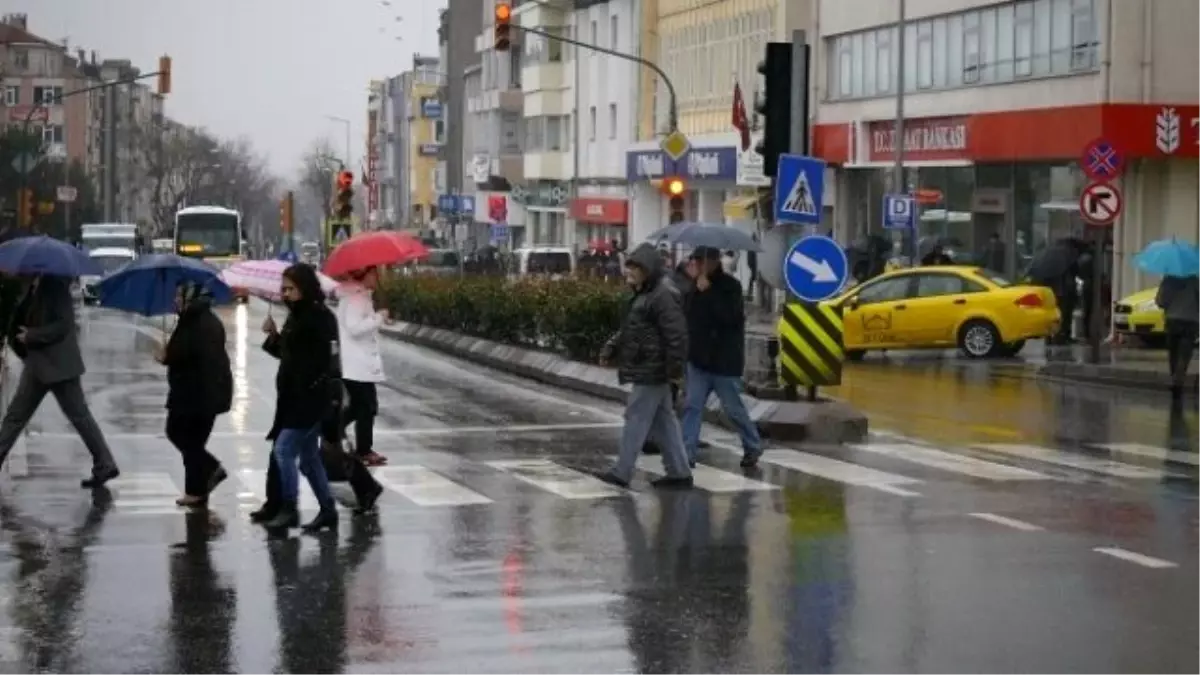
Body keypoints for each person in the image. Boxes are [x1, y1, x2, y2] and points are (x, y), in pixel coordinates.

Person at [0, 274, 119, 487]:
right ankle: (105, 463)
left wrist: (32, 336)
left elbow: (64, 325)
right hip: (37, 366)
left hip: (60, 367)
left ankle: (105, 463)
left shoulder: (54, 286)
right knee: (15, 417)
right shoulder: (30, 287)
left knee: (80, 417)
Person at [595, 243, 693, 489]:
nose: (629, 273)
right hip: (650, 366)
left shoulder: (662, 294)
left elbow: (676, 336)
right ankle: (679, 472)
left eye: (635, 268)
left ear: (648, 270)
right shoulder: (643, 294)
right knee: (664, 421)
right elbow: (631, 329)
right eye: (629, 267)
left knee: (636, 417)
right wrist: (611, 348)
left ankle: (622, 471)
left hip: (653, 368)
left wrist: (674, 370)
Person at [258, 264, 339, 532]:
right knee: (309, 459)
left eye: (291, 289)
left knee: (283, 451)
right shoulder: (297, 316)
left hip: (310, 400)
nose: (285, 294)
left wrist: (314, 389)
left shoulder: (318, 317)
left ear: (304, 288)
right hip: (294, 399)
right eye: (283, 289)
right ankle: (328, 510)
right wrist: (274, 337)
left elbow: (322, 361)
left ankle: (289, 508)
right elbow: (289, 354)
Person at [680, 247, 762, 469]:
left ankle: (752, 444)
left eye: (700, 260)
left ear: (713, 261)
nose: (696, 264)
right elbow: (688, 317)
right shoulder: (693, 287)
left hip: (723, 361)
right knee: (692, 406)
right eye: (694, 260)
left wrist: (708, 293)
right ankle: (686, 453)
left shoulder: (731, 287)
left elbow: (729, 317)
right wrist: (696, 292)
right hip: (698, 360)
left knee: (733, 409)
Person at [156, 281, 233, 506]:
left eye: (180, 297)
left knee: (180, 435)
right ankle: (197, 491)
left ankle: (211, 469)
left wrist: (167, 356)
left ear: (192, 299)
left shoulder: (198, 324)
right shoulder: (196, 320)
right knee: (193, 443)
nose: (176, 301)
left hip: (197, 395)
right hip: (199, 392)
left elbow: (186, 354)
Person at [335, 266, 389, 466]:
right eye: (375, 274)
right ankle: (363, 450)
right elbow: (355, 329)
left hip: (356, 364)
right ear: (364, 275)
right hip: (356, 365)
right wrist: (378, 318)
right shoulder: (356, 299)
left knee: (361, 407)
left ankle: (334, 431)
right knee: (366, 407)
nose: (378, 277)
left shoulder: (358, 296)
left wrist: (378, 318)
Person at [1156, 273, 1200, 398]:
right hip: (1191, 320)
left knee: (1173, 352)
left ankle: (1175, 378)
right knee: (1184, 354)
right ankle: (1178, 381)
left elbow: (1160, 302)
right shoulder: (1195, 280)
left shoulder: (1168, 280)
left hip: (1172, 320)